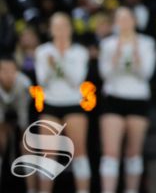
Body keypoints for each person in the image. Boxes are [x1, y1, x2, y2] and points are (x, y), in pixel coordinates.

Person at [98, 7, 156, 193]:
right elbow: (105, 74)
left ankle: (131, 190)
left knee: (133, 153)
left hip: (138, 98)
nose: (124, 23)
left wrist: (137, 54)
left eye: (127, 18)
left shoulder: (147, 43)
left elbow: (146, 74)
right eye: (119, 19)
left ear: (135, 20)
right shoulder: (108, 44)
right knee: (110, 153)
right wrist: (116, 56)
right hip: (113, 97)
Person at [35, 12, 92, 193]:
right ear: (50, 29)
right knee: (48, 154)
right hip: (51, 103)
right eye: (56, 27)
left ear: (70, 29)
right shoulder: (42, 51)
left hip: (73, 103)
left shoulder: (79, 51)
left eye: (64, 26)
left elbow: (76, 80)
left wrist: (59, 63)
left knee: (79, 152)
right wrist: (52, 67)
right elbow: (42, 81)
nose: (60, 30)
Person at [0, 55, 35, 191]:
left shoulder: (24, 84)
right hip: (2, 111)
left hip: (23, 112)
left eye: (11, 70)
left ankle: (31, 189)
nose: (8, 74)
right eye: (3, 70)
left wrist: (22, 136)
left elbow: (23, 115)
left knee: (26, 145)